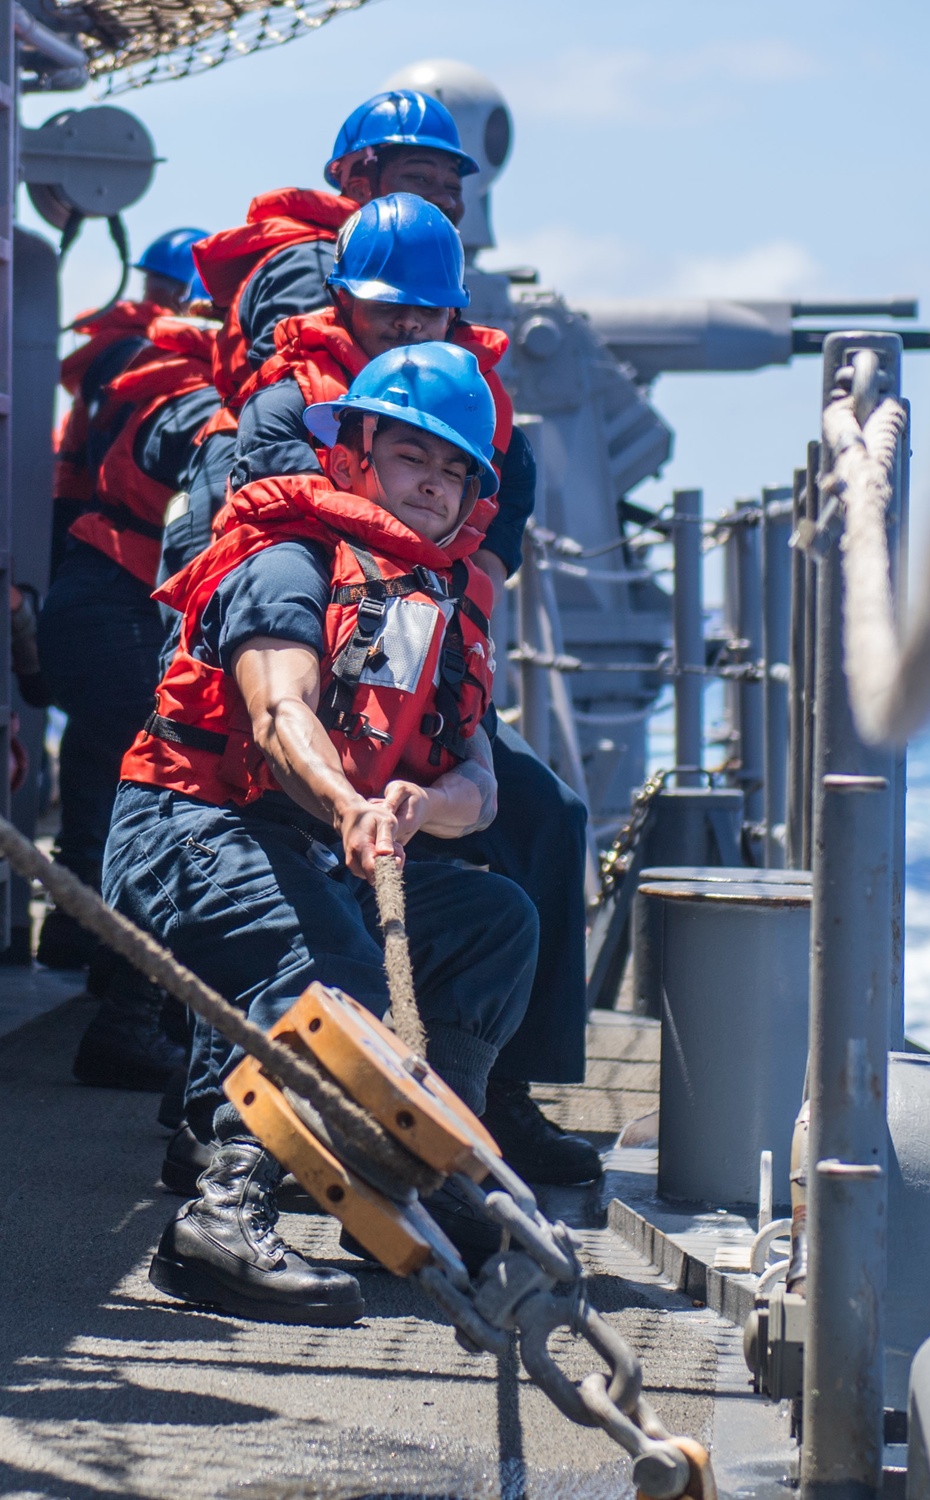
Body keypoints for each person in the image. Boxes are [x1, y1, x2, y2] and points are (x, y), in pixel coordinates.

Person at [105, 344, 538, 1323]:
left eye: (452, 469)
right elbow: (278, 711)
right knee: (318, 960)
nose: (432, 484)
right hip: (192, 825)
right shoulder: (288, 560)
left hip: (316, 848)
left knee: (492, 921)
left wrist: (422, 808)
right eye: (410, 458)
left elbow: (477, 779)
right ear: (351, 460)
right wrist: (349, 803)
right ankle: (223, 1212)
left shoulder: (439, 607)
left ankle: (410, 1172)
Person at [163, 88, 479, 587]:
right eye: (419, 177)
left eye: (451, 185)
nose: (439, 198)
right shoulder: (314, 261)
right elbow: (298, 380)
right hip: (264, 467)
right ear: (357, 180)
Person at [38, 307, 220, 1092]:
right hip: (120, 602)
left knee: (108, 784)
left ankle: (90, 963)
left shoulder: (138, 384)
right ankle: (128, 1019)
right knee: (162, 799)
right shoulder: (196, 404)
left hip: (85, 596)